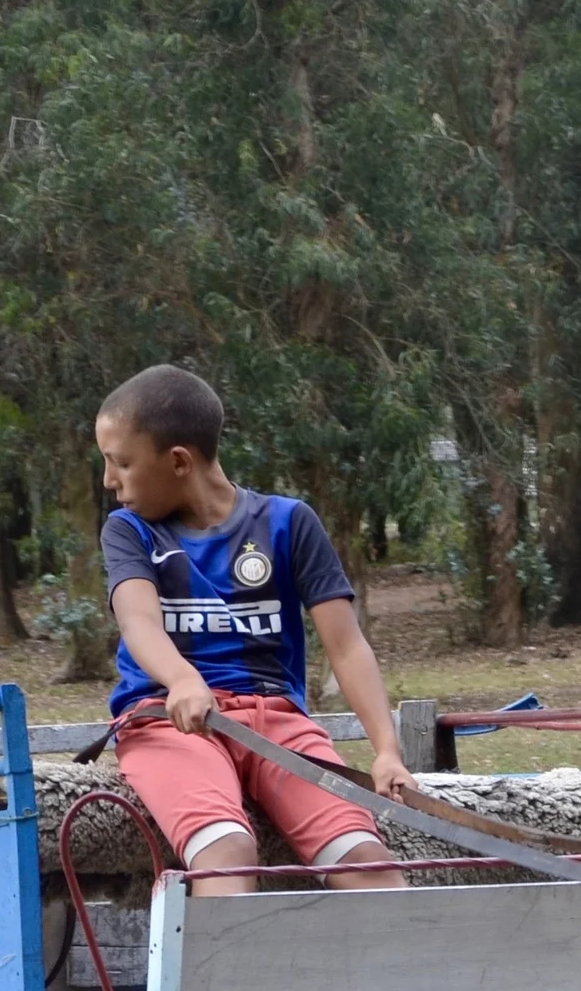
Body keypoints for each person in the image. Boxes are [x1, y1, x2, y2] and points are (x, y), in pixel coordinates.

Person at [94, 363, 412, 895]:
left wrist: (386, 749)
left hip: (279, 727)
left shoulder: (288, 522)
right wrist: (182, 679)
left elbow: (347, 645)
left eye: (120, 463)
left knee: (365, 857)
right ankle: (218, 978)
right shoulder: (129, 530)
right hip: (170, 722)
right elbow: (139, 622)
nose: (109, 481)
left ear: (178, 462)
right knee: (228, 853)